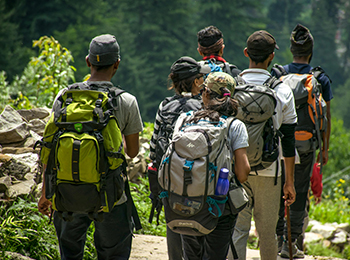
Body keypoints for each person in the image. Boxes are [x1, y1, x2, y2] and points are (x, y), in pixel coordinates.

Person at [37, 34, 143, 260]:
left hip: (67, 192)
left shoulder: (64, 97)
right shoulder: (125, 101)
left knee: (70, 254)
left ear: (88, 61)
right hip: (111, 196)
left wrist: (46, 192)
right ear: (117, 63)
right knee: (113, 254)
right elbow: (132, 152)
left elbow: (50, 147)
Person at [229, 30, 297, 260]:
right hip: (271, 172)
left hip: (238, 169)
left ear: (246, 53)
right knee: (267, 233)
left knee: (238, 230)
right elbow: (288, 140)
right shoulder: (282, 90)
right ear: (271, 57)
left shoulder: (233, 88)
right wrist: (290, 182)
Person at [271, 24, 333, 258]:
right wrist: (324, 149)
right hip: (306, 146)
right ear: (311, 51)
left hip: (280, 145)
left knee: (278, 190)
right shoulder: (320, 78)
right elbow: (326, 116)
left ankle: (278, 240)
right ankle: (293, 242)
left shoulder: (279, 74)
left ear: (291, 49)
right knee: (299, 189)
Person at [180, 71, 250, 260]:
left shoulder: (185, 119)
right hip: (220, 204)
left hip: (187, 202)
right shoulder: (235, 125)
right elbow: (242, 174)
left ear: (205, 94)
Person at [148, 56, 211, 260]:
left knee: (174, 227)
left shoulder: (165, 106)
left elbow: (153, 147)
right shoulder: (203, 107)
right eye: (201, 77)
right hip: (198, 180)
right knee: (199, 231)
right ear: (195, 82)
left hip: (169, 180)